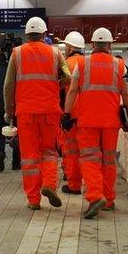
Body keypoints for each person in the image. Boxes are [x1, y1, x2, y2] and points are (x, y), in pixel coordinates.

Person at [64, 27, 128, 219]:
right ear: (110, 45)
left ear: (93, 44)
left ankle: (95, 196)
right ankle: (109, 200)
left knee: (89, 159)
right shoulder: (120, 66)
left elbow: (72, 92)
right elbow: (126, 95)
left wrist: (67, 114)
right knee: (108, 160)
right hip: (111, 122)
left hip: (87, 122)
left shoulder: (82, 64)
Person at [4, 16, 70, 210]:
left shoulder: (17, 53)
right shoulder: (55, 53)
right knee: (49, 151)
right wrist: (54, 85)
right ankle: (49, 185)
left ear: (26, 35)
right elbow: (68, 76)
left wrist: (9, 111)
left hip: (25, 112)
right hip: (50, 110)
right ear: (44, 33)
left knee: (29, 156)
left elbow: (8, 85)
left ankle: (33, 200)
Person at [59, 31, 87, 195]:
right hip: (88, 114)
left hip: (70, 113)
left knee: (71, 151)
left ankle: (74, 184)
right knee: (89, 151)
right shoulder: (87, 63)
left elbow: (59, 88)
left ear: (69, 47)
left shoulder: (65, 64)